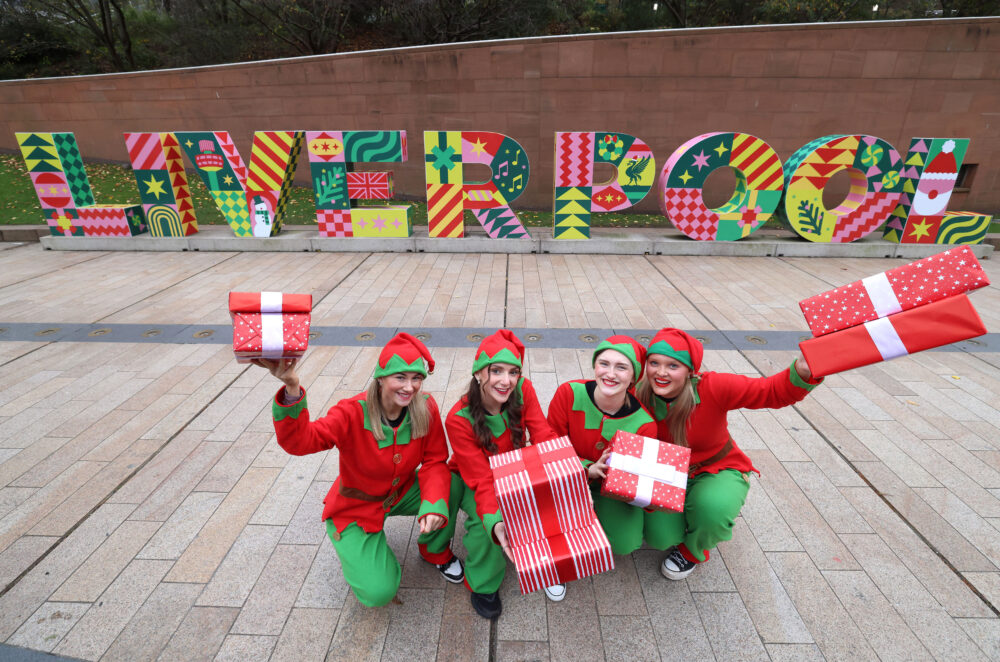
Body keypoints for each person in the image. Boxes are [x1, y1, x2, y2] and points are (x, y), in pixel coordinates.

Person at [255, 332, 463, 607]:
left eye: (417, 378)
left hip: (400, 491)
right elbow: (301, 442)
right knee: (378, 593)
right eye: (400, 377)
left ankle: (433, 550)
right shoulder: (351, 412)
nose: (410, 387)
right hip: (357, 505)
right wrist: (292, 387)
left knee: (452, 484)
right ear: (380, 378)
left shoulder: (425, 408)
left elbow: (436, 461)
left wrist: (434, 506)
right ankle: (357, 548)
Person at [634, 328, 822, 580]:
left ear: (691, 370)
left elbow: (769, 391)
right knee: (660, 537)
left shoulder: (713, 387)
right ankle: (689, 518)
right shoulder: (637, 391)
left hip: (715, 468)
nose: (661, 372)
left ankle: (694, 548)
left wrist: (801, 371)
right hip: (665, 473)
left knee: (713, 507)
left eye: (673, 365)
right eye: (654, 363)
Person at [444, 330, 563, 619]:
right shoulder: (458, 418)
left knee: (551, 500)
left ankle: (547, 564)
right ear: (478, 375)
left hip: (517, 470)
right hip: (477, 479)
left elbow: (544, 434)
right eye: (496, 370)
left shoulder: (524, 390)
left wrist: (571, 471)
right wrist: (496, 522)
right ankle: (484, 584)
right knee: (488, 529)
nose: (506, 381)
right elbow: (481, 479)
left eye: (513, 372)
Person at [546, 335, 667, 557]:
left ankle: (598, 519)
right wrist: (584, 469)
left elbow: (637, 480)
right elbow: (548, 445)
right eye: (604, 363)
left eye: (621, 367)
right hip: (563, 477)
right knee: (554, 525)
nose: (610, 374)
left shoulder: (644, 424)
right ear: (595, 366)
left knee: (625, 544)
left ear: (633, 377)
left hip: (610, 490)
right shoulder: (569, 393)